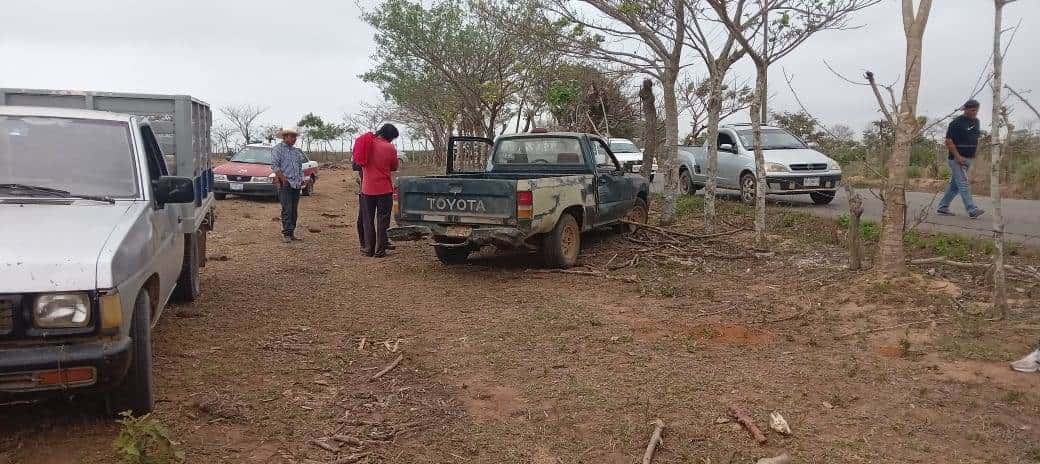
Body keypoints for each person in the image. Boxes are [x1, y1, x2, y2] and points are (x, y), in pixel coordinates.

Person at [937, 99, 985, 218]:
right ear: (966, 109)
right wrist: (957, 156)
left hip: (968, 158)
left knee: (955, 186)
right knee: (963, 183)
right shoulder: (956, 123)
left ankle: (943, 207)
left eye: (976, 110)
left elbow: (974, 138)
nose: (975, 112)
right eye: (973, 110)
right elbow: (948, 141)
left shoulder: (976, 122)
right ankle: (972, 209)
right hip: (956, 159)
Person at [357, 124, 400, 257]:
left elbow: (358, 162)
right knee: (383, 221)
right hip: (384, 189)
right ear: (390, 136)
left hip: (367, 189)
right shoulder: (390, 147)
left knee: (367, 220)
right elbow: (394, 167)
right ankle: (380, 250)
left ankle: (369, 248)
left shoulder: (366, 143)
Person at [271, 127, 308, 243]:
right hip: (285, 183)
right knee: (287, 209)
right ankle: (286, 233)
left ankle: (291, 232)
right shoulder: (278, 149)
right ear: (284, 137)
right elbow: (274, 165)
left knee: (294, 210)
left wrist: (301, 178)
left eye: (294, 137)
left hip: (296, 184)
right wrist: (283, 178)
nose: (293, 139)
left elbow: (299, 167)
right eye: (291, 136)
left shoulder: (296, 151)